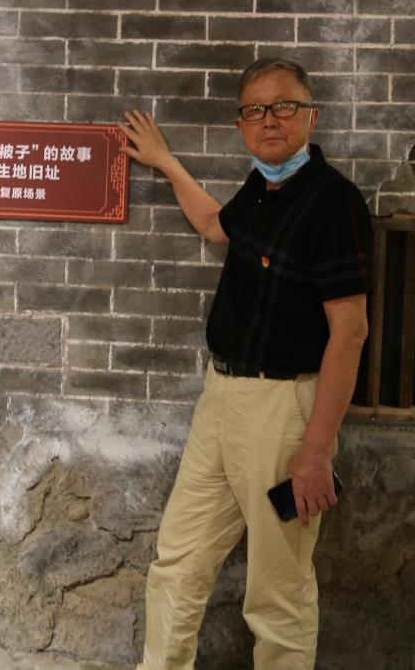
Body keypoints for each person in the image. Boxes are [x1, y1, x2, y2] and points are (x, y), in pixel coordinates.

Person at [121, 59, 372, 670]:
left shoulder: (333, 201)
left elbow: (350, 332)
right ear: (241, 125)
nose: (270, 120)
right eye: (255, 110)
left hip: (283, 410)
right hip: (222, 399)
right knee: (178, 561)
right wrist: (166, 162)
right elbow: (215, 225)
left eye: (284, 106)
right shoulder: (260, 188)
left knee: (277, 590)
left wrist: (316, 451)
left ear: (311, 116)